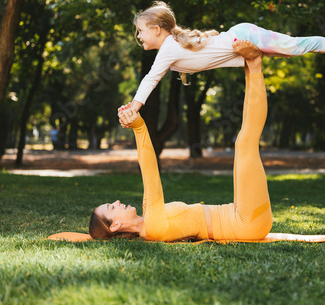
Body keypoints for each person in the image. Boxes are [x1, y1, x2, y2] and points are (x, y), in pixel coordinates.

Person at [89, 48, 273, 241]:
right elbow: (150, 174)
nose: (117, 201)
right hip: (247, 223)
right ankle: (254, 66)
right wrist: (138, 127)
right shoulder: (153, 228)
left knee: (244, 142)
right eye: (111, 207)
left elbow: (146, 167)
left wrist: (136, 123)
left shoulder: (149, 216)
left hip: (239, 213)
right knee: (245, 143)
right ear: (115, 225)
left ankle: (250, 65)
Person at [128, 1, 325, 113]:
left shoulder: (169, 48)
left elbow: (151, 79)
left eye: (140, 30)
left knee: (294, 46)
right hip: (241, 38)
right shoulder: (171, 49)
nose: (139, 36)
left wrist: (135, 106)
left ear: (157, 29)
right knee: (290, 51)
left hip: (246, 36)